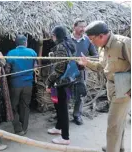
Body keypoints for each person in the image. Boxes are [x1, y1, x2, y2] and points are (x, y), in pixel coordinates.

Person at [78, 21, 131, 152]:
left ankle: (112, 149)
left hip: (124, 88)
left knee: (112, 124)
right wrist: (87, 63)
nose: (91, 43)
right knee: (119, 121)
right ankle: (119, 147)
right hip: (111, 86)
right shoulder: (102, 47)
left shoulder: (123, 43)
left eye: (91, 39)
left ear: (101, 36)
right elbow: (101, 67)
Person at [45, 25, 77, 145]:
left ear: (56, 35)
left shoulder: (60, 47)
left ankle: (65, 137)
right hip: (67, 80)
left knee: (62, 109)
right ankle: (58, 128)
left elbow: (59, 69)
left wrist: (48, 82)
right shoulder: (69, 45)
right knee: (59, 106)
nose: (52, 37)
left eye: (53, 35)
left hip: (61, 83)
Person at [6, 35, 37, 136]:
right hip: (28, 84)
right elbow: (35, 67)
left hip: (15, 84)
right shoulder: (32, 52)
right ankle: (24, 128)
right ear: (26, 43)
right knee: (25, 105)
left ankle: (18, 128)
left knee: (13, 106)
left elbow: (7, 70)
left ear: (16, 43)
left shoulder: (10, 53)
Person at [71, 19, 98, 125]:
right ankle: (61, 115)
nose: (83, 29)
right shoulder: (67, 39)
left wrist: (86, 61)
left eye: (84, 27)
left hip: (81, 72)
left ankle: (77, 115)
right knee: (65, 93)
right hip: (67, 72)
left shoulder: (87, 40)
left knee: (80, 94)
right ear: (74, 26)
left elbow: (95, 55)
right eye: (81, 26)